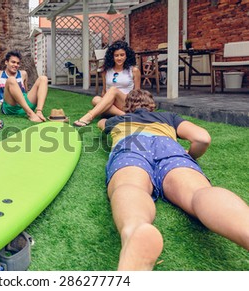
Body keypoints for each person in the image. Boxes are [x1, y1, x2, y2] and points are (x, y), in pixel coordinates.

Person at [98, 89, 249, 271]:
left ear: (127, 106)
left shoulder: (118, 120)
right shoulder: (168, 117)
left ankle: (135, 229)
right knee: (198, 193)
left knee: (130, 185)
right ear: (152, 105)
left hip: (131, 144)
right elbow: (202, 138)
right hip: (168, 146)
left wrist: (115, 114)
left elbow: (101, 122)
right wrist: (190, 155)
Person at [74, 40, 141, 127]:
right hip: (112, 103)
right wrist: (104, 102)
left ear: (127, 56)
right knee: (95, 99)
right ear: (112, 57)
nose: (119, 58)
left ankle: (89, 116)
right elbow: (104, 91)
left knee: (113, 89)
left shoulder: (134, 70)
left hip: (127, 102)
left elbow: (138, 93)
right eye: (116, 55)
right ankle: (124, 116)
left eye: (122, 55)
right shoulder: (106, 70)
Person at [0, 50, 48, 122]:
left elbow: (25, 92)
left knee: (43, 78)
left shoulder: (23, 74)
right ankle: (30, 113)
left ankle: (39, 112)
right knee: (11, 80)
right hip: (10, 107)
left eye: (18, 63)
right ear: (6, 62)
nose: (16, 65)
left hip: (24, 106)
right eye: (13, 62)